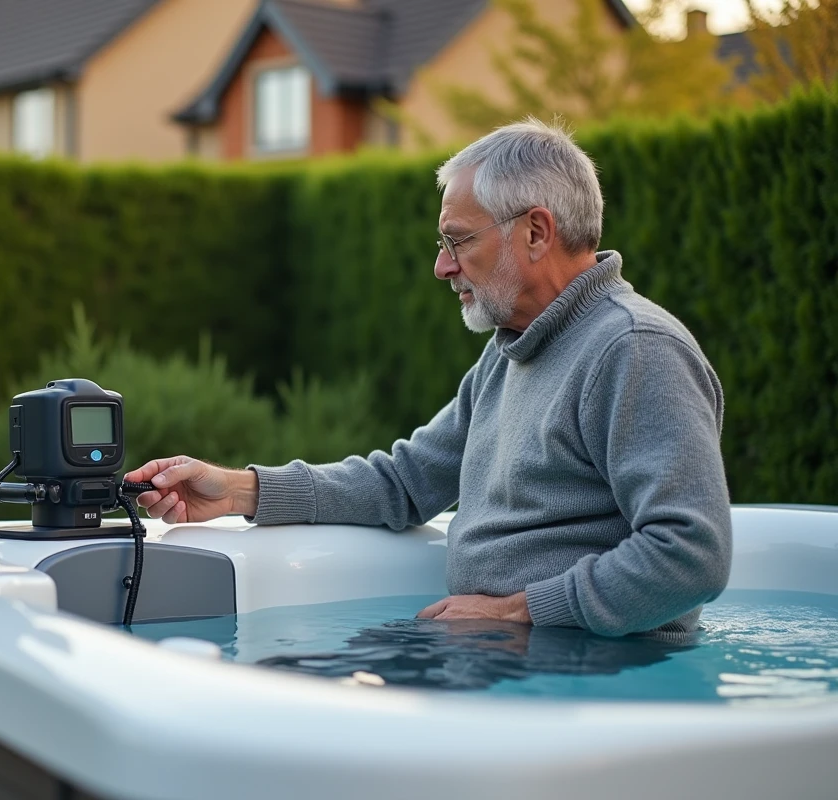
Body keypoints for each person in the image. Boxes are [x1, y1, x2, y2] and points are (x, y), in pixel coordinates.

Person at [125, 118, 732, 638]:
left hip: (588, 678)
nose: (442, 266)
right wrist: (239, 491)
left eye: (458, 241)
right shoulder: (512, 351)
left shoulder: (635, 349)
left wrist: (519, 612)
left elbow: (692, 554)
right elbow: (405, 481)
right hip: (510, 658)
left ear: (536, 232)